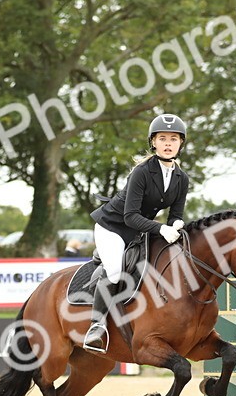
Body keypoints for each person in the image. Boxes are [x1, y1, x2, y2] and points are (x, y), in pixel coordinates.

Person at [82, 113, 191, 352]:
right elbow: (130, 216)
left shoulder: (182, 178)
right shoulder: (141, 172)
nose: (168, 143)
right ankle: (96, 326)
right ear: (153, 142)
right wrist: (161, 228)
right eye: (162, 138)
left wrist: (176, 225)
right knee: (114, 273)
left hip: (139, 231)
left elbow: (176, 215)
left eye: (173, 139)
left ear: (181, 143)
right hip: (113, 228)